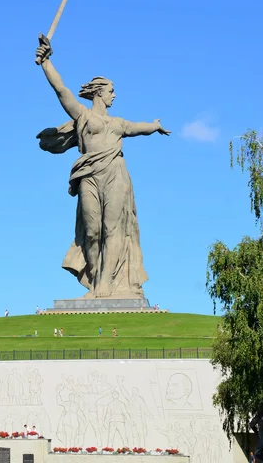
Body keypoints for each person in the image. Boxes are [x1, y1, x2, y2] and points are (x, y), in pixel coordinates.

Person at [35, 42, 170, 298]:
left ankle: (106, 283)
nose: (114, 96)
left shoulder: (117, 123)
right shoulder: (83, 117)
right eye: (111, 91)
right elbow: (61, 90)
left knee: (113, 228)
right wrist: (46, 62)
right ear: (99, 93)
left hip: (115, 173)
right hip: (89, 175)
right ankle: (96, 280)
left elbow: (139, 127)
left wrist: (154, 126)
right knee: (91, 230)